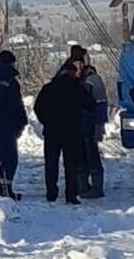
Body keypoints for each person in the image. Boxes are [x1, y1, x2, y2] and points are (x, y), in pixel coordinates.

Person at [34, 64, 94, 204]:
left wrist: (46, 121)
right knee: (71, 164)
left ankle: (51, 193)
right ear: (73, 73)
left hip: (52, 131)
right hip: (72, 132)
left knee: (51, 163)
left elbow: (38, 107)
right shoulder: (77, 88)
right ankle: (71, 195)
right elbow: (90, 105)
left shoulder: (49, 88)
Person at [0, 51, 28, 199]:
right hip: (6, 125)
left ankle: (2, 190)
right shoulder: (10, 81)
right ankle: (5, 190)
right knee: (9, 158)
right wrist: (22, 121)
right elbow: (16, 104)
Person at [78, 54, 108, 199]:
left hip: (91, 123)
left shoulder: (90, 82)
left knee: (91, 153)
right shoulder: (94, 79)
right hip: (93, 122)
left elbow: (87, 104)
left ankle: (96, 187)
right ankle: (91, 186)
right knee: (89, 152)